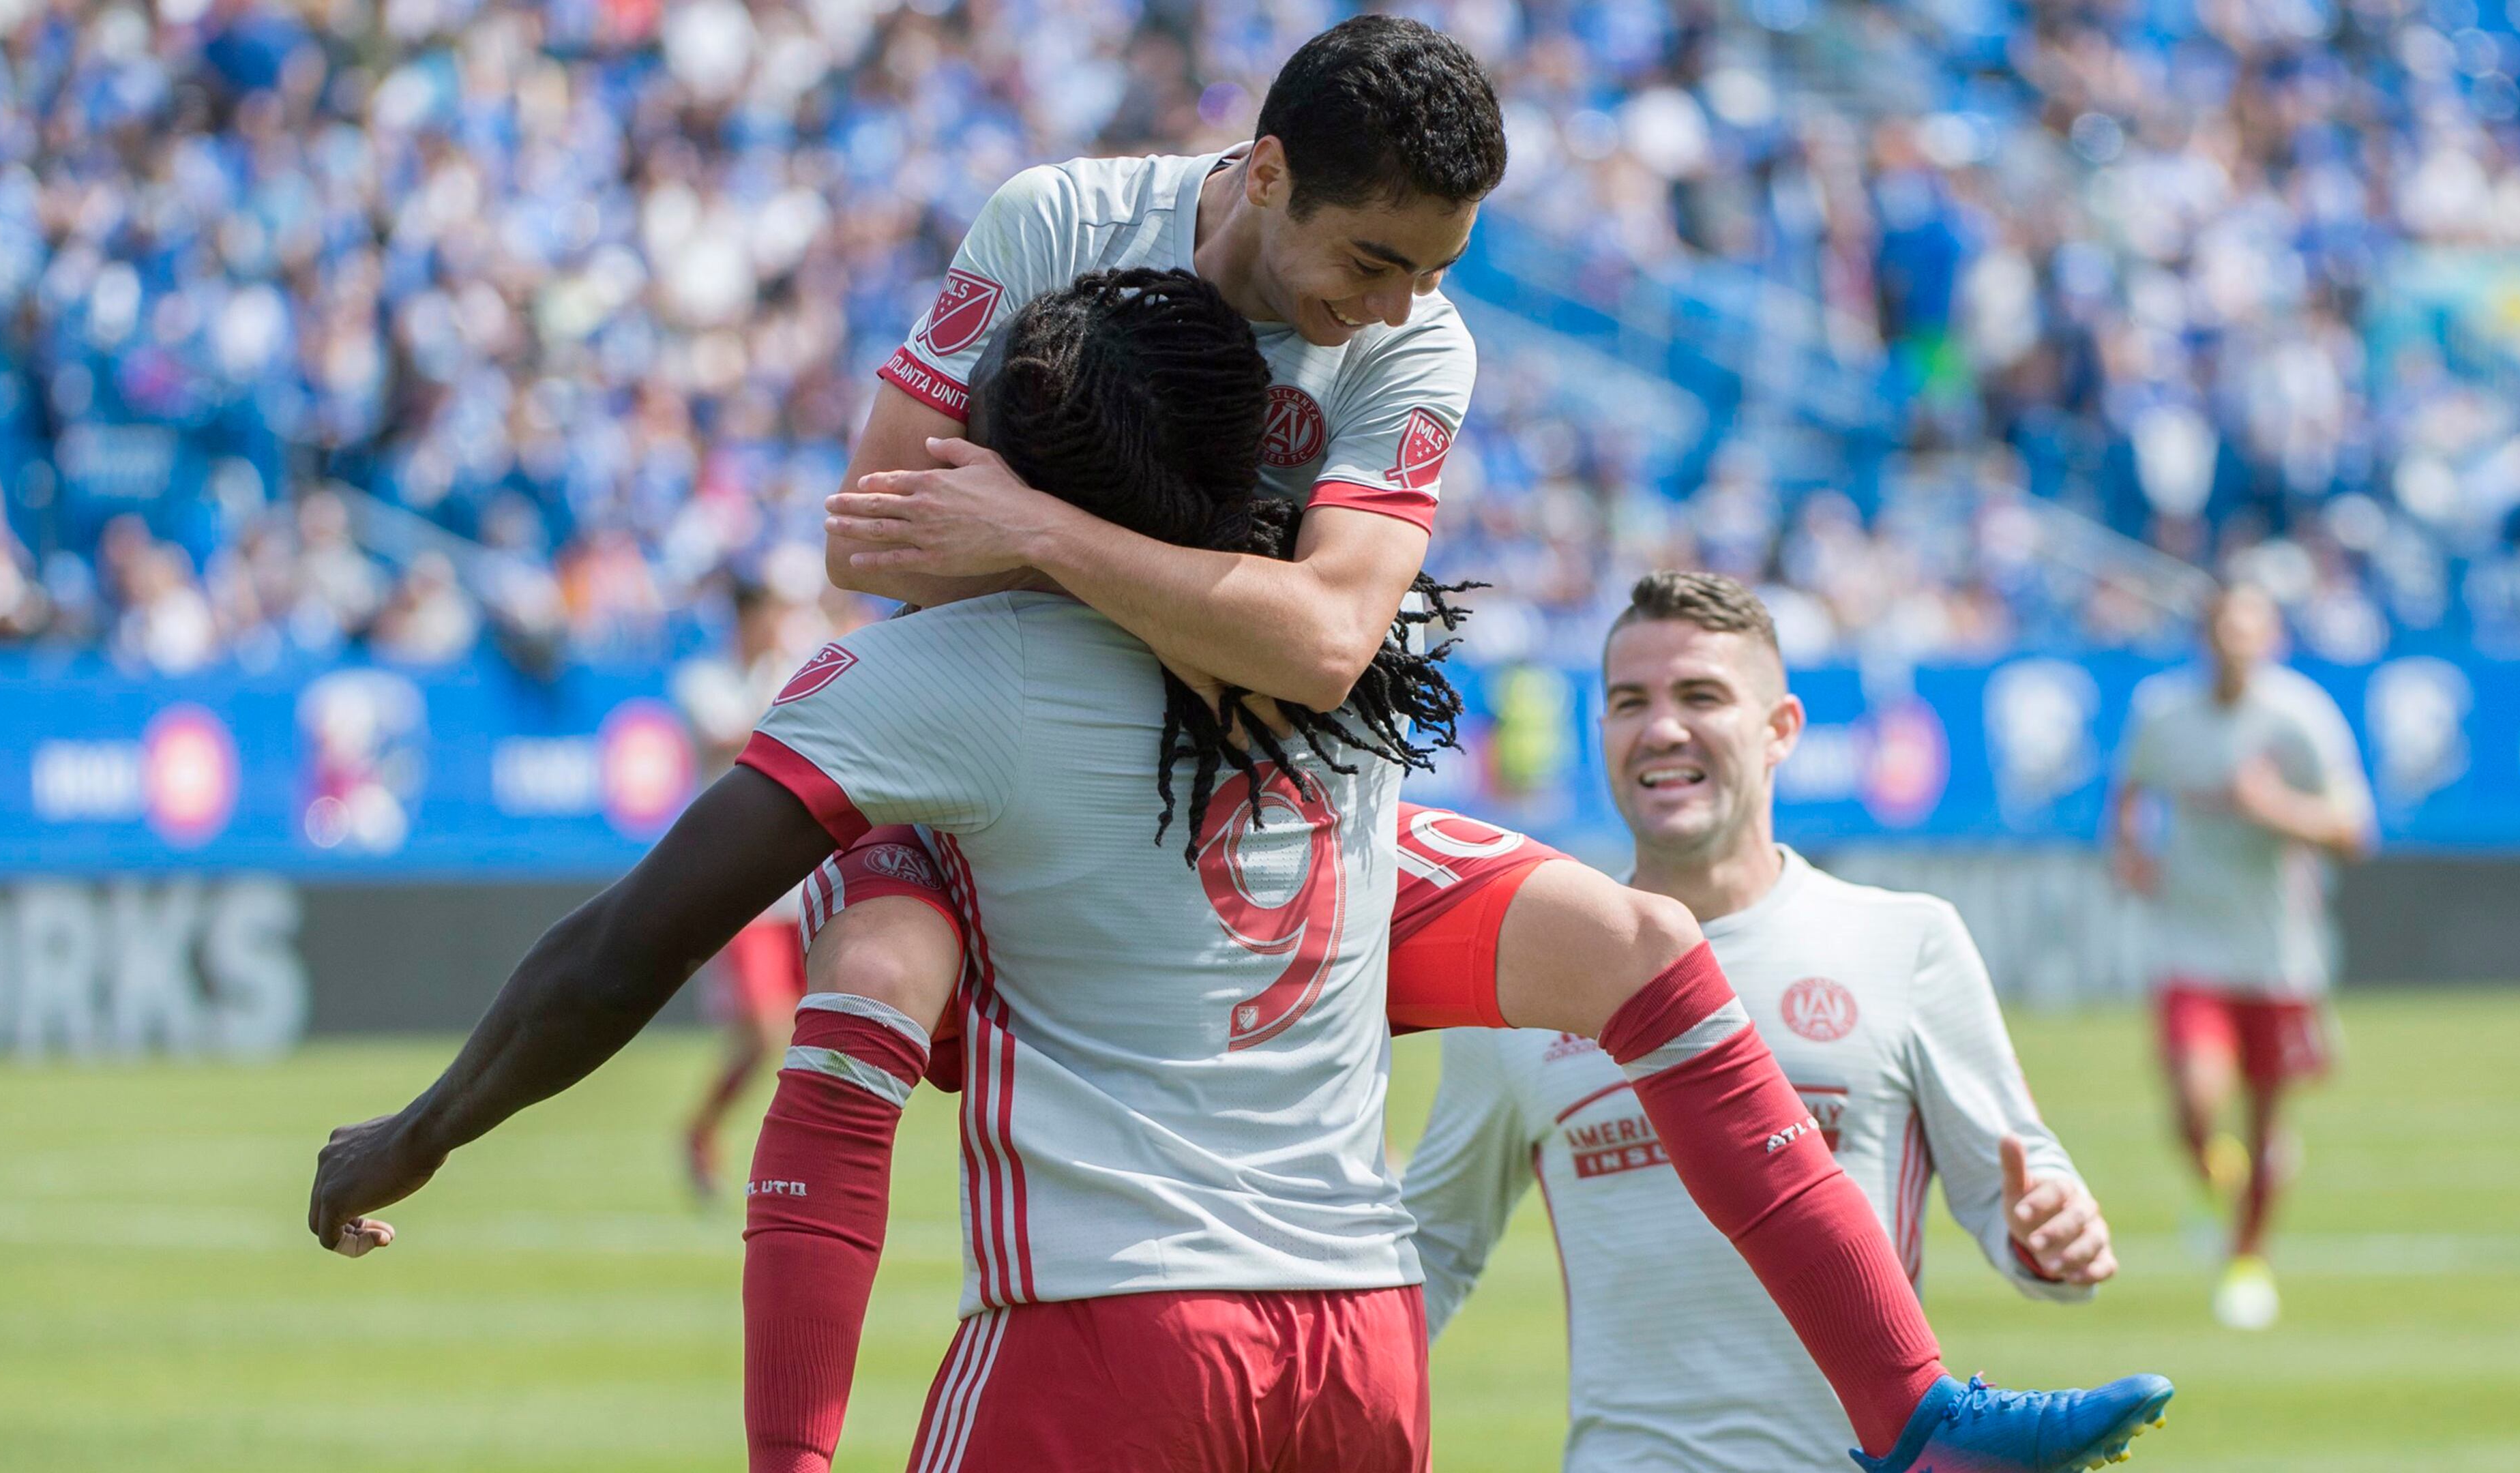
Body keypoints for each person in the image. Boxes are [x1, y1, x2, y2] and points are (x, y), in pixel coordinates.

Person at [794, 17, 2167, 1472]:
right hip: (1042, 764)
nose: (1400, 313)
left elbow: (1328, 648)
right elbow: (881, 527)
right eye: (1376, 264)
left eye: (1439, 270)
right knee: (865, 990)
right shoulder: (1056, 220)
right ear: (1266, 176)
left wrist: (1036, 528)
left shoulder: (1422, 340)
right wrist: (1212, 611)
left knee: (1642, 946)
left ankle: (1918, 1416)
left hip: (1278, 788)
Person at [313, 268, 1464, 1473]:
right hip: (1363, 1341)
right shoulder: (1354, 679)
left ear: (1007, 467)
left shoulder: (943, 680)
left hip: (1117, 1325)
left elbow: (623, 952)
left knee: (860, 981)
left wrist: (424, 1131)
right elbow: (1623, 949)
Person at [1401, 571, 2125, 1472]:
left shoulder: (1905, 942)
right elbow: (1433, 1248)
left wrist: (2051, 1232)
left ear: (1782, 728)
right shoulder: (1532, 977)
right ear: (1602, 735)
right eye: (1631, 702)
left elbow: (2012, 1187)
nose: (1662, 728)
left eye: (1701, 695)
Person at [2109, 582, 2373, 1330]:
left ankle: (2248, 1259)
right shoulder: (2165, 716)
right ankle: (2210, 1174)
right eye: (2226, 626)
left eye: (2251, 628)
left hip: (2277, 955)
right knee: (2195, 1101)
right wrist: (2130, 851)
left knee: (2266, 1118)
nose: (2237, 641)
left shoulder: (2301, 720)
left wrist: (2276, 810)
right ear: (2206, 635)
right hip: (2191, 944)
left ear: (2272, 637)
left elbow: (2356, 832)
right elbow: (2131, 790)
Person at [670, 573, 832, 1199]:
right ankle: (707, 1131)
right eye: (771, 614)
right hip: (742, 890)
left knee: (814, 1030)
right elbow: (730, 736)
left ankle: (793, 1159)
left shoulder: (792, 670)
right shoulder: (706, 681)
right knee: (766, 1032)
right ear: (747, 619)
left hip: (801, 881)